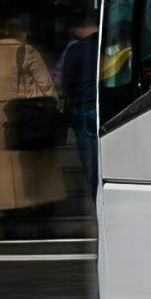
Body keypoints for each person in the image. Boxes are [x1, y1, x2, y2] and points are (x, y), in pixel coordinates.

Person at [0, 19, 65, 240]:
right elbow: (46, 87)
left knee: (1, 176)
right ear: (20, 33)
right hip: (27, 114)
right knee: (37, 171)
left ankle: (6, 222)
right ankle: (42, 221)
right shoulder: (27, 51)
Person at [54, 14, 100, 204]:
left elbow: (66, 84)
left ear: (81, 28)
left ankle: (96, 203)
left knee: (91, 167)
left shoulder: (75, 50)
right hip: (109, 108)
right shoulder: (112, 45)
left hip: (83, 109)